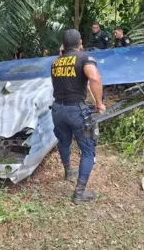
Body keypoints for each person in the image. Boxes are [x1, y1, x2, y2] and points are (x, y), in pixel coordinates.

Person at [51, 29, 106, 205]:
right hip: (76, 111)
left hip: (58, 109)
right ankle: (79, 193)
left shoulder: (56, 62)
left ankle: (68, 171)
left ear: (64, 45)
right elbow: (95, 78)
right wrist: (99, 103)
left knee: (63, 142)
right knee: (88, 150)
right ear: (80, 42)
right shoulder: (84, 58)